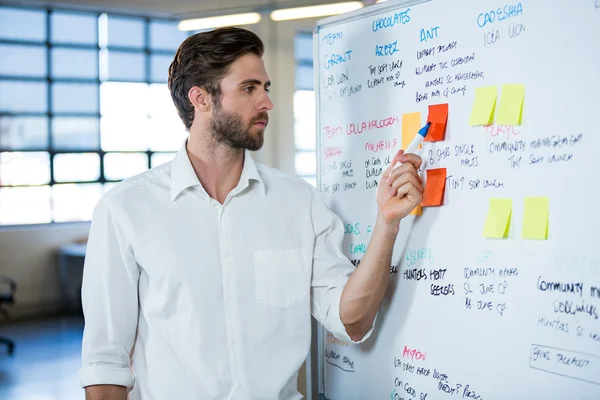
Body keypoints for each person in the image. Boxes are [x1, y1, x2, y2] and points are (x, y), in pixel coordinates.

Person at [79, 27, 423, 400]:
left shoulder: (300, 203)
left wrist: (387, 223)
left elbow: (350, 321)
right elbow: (105, 363)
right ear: (201, 99)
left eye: (266, 87)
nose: (267, 102)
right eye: (249, 88)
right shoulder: (126, 209)